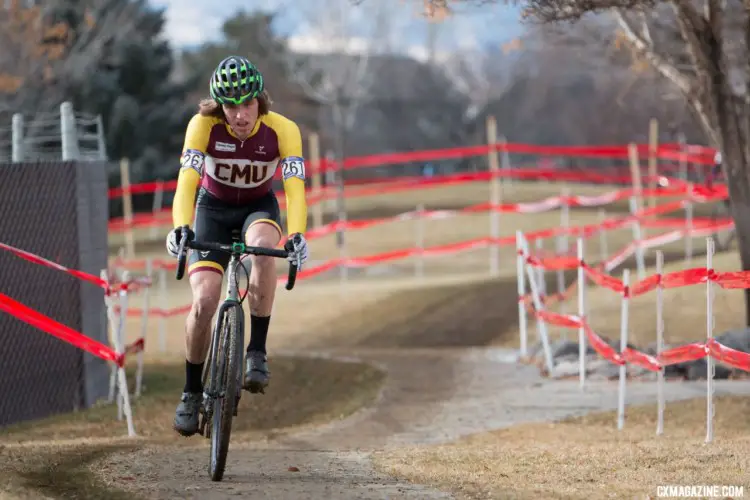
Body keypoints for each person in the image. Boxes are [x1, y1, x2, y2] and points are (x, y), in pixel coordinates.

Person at [166, 55, 310, 437]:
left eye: (247, 103)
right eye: (231, 106)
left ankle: (256, 352)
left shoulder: (283, 130)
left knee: (264, 246)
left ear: (259, 101)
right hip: (211, 210)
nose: (240, 115)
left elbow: (295, 190)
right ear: (219, 106)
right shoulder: (203, 126)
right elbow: (187, 181)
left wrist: (296, 233)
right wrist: (180, 227)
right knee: (204, 301)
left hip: (257, 208)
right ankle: (191, 392)